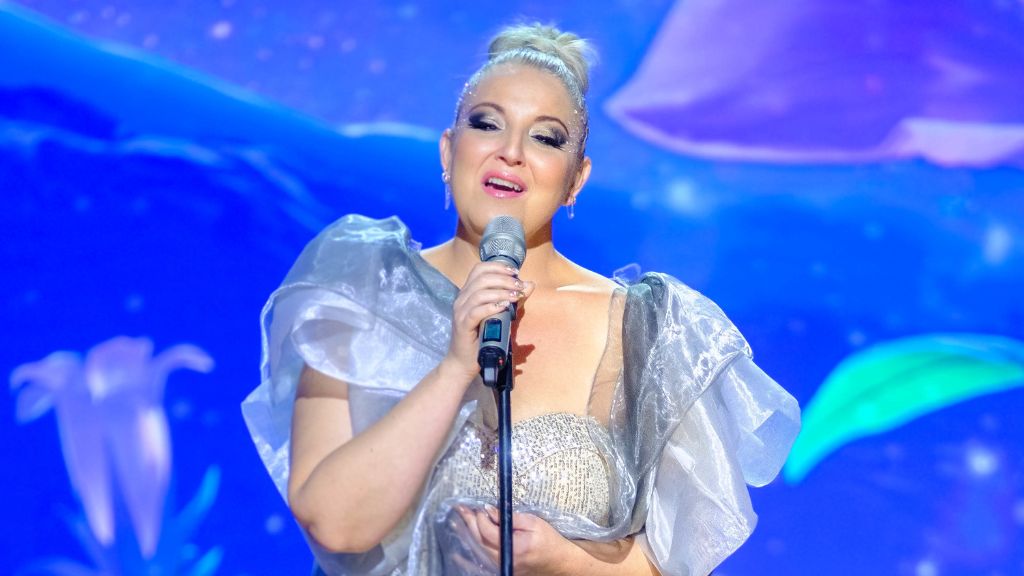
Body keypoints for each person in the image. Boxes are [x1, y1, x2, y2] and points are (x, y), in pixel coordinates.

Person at [242, 22, 801, 576]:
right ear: (448, 150)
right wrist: (454, 369)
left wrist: (564, 560)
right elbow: (335, 525)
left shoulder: (648, 329)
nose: (510, 153)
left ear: (576, 179)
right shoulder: (365, 287)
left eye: (545, 138)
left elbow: (677, 565)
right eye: (487, 124)